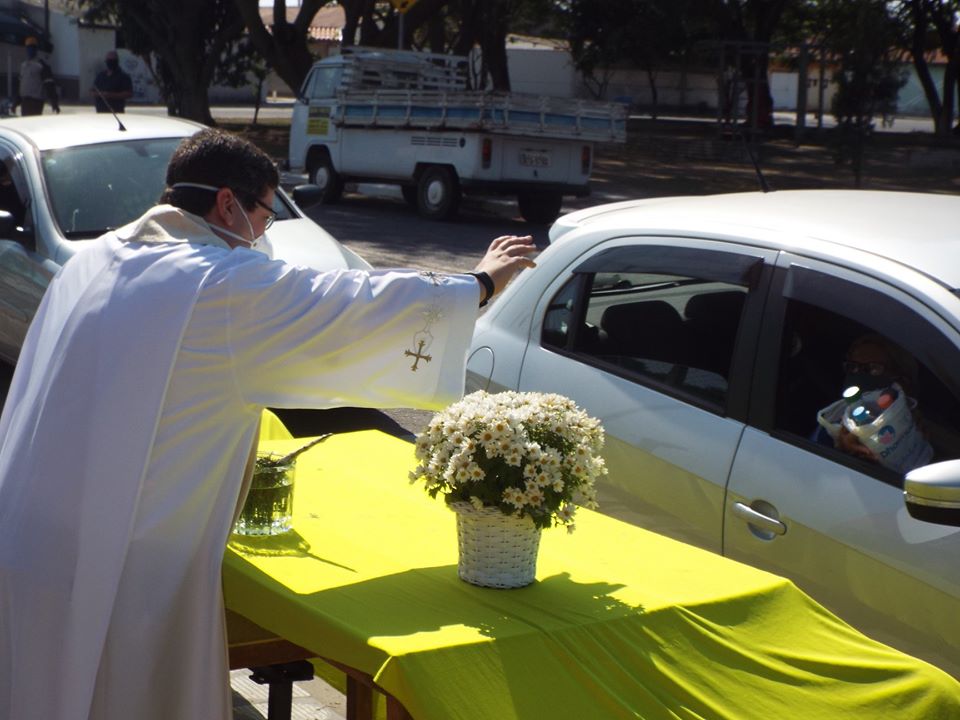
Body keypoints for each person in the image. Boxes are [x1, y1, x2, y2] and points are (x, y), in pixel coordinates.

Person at [0, 128, 536, 720]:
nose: (264, 232)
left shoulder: (96, 257)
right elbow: (348, 305)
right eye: (265, 214)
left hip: (34, 529)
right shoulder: (219, 282)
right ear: (227, 202)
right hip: (130, 558)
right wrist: (478, 284)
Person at [16, 36, 59, 116]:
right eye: (28, 47)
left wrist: (54, 102)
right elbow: (20, 85)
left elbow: (49, 85)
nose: (30, 50)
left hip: (36, 101)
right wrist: (16, 102)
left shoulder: (41, 66)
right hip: (25, 101)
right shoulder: (24, 66)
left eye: (32, 47)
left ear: (36, 49)